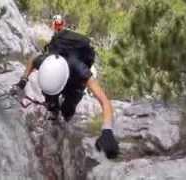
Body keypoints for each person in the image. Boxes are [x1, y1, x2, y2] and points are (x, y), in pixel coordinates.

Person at [12, 15, 119, 159]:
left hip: (75, 85)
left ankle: (65, 116)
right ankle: (54, 111)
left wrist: (107, 130)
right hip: (59, 77)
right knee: (51, 101)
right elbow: (33, 60)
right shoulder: (47, 62)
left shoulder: (80, 70)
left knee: (68, 109)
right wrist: (23, 81)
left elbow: (104, 101)